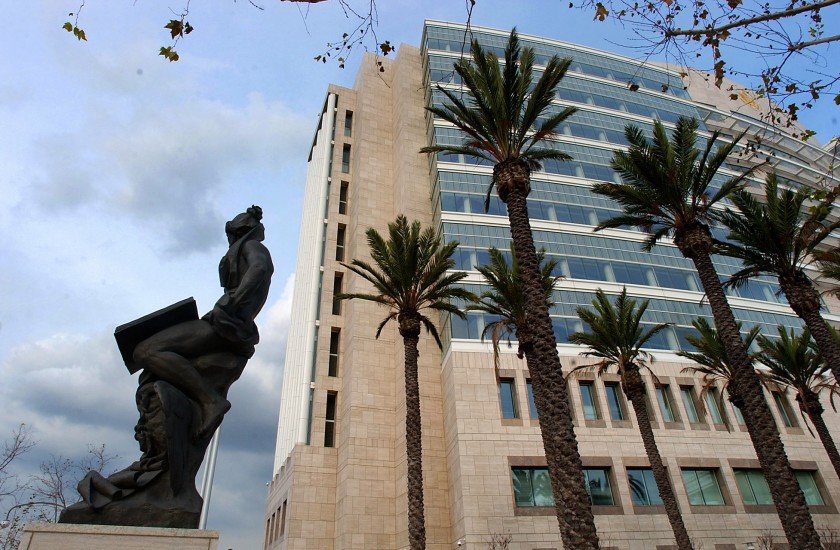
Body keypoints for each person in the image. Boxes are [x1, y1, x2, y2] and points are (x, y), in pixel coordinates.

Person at [133, 205, 274, 440]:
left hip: (226, 324)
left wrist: (234, 300)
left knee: (145, 351)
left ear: (237, 234)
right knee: (148, 363)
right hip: (228, 321)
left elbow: (258, 268)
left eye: (230, 235)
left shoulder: (252, 247)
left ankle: (210, 401)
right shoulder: (250, 248)